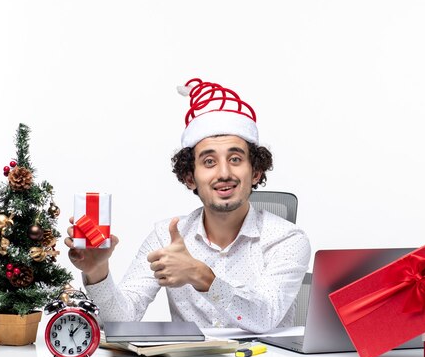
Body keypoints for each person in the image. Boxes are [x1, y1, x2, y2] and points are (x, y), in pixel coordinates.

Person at [64, 78, 311, 333]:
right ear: (190, 177)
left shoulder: (287, 239)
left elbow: (265, 316)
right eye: (209, 162)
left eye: (235, 159)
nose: (224, 173)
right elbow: (120, 322)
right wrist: (97, 271)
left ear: (256, 172)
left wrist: (200, 275)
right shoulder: (166, 236)